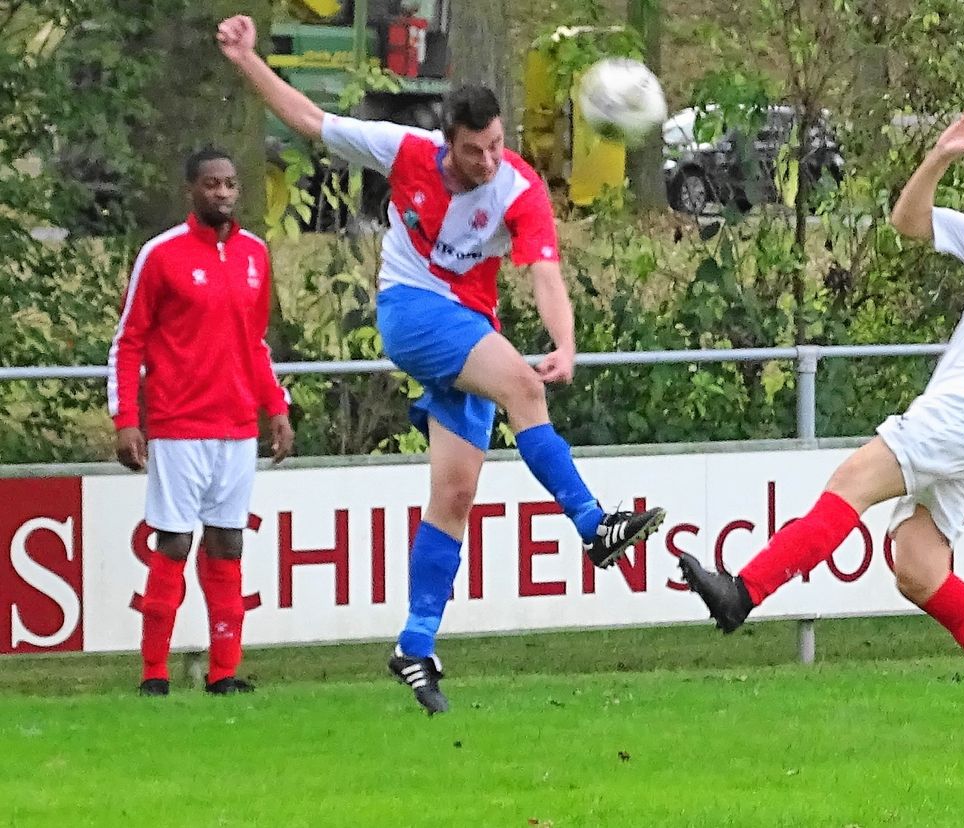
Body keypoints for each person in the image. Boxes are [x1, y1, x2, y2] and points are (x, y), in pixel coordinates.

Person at [216, 15, 667, 715]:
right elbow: (310, 118)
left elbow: (546, 274)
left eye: (495, 146)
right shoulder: (405, 151)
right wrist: (247, 59)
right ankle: (591, 524)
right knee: (522, 384)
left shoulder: (518, 189)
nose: (487, 161)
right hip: (411, 314)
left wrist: (566, 340)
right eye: (473, 150)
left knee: (455, 495)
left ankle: (414, 643)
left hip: (469, 328)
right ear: (447, 141)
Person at [679, 110, 964, 742]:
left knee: (851, 480)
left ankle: (743, 592)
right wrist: (939, 157)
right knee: (918, 571)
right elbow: (908, 223)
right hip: (962, 412)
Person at [109, 146, 295, 697]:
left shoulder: (255, 255)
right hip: (178, 423)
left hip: (237, 426)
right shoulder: (161, 254)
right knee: (172, 543)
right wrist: (126, 418)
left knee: (228, 545)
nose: (223, 193)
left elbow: (254, 344)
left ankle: (224, 672)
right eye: (212, 184)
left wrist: (276, 408)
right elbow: (129, 341)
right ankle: (154, 673)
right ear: (192, 189)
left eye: (231, 184)